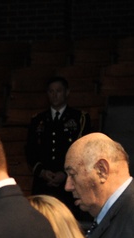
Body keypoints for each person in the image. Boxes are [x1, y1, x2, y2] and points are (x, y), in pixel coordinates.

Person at [25, 76, 91, 219]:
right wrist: (42, 172)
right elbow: (30, 150)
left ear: (67, 92)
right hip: (43, 182)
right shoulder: (38, 120)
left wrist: (65, 173)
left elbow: (83, 151)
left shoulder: (79, 118)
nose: (54, 95)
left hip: (69, 183)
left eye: (58, 91)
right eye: (51, 91)